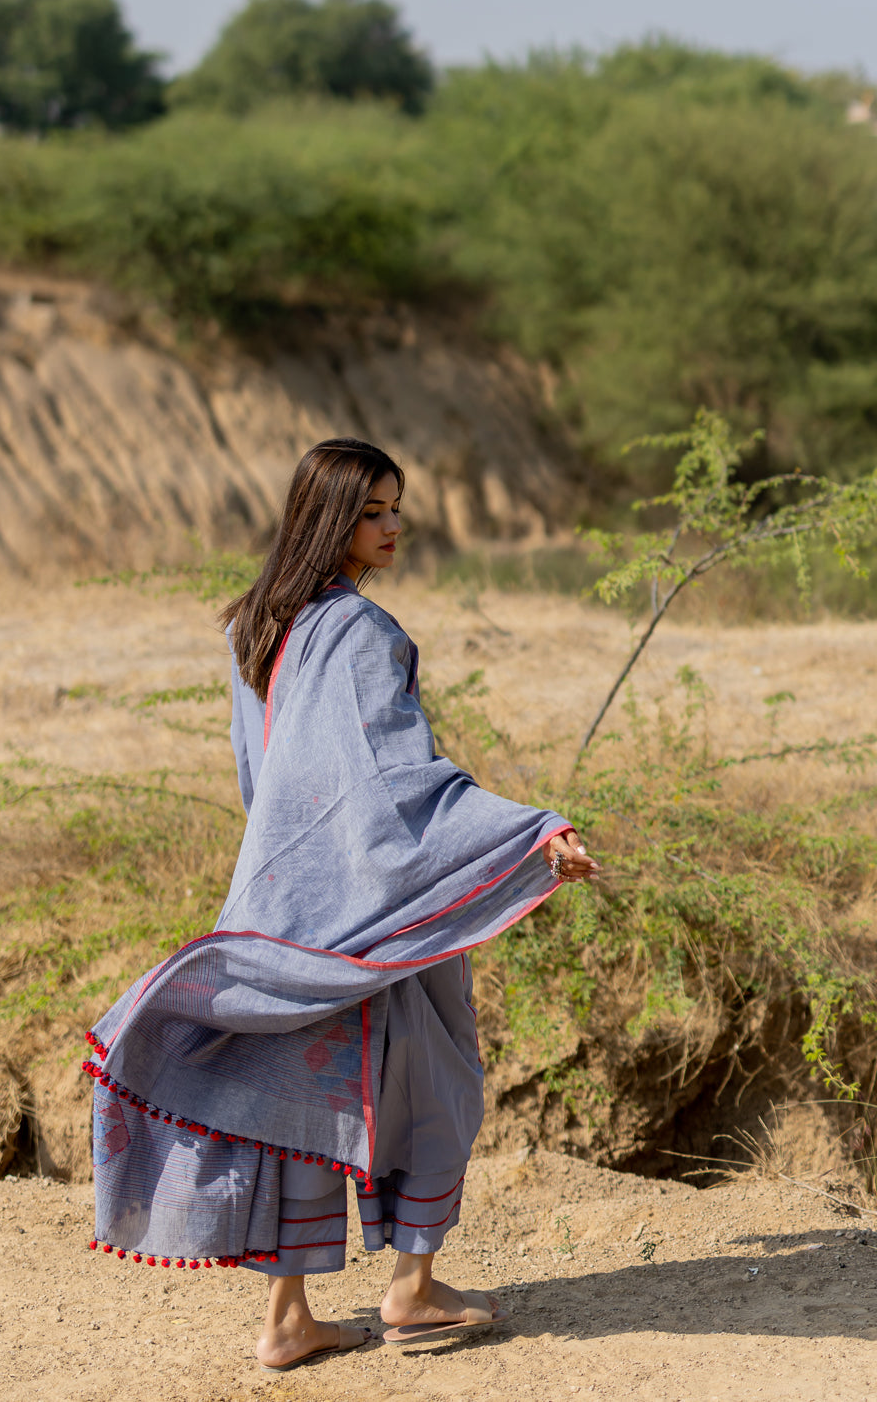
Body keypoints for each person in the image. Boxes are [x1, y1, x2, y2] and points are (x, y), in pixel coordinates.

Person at [83, 437, 599, 1372]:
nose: (394, 526)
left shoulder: (256, 625)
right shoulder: (361, 631)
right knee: (443, 1075)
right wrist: (532, 834)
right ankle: (412, 1289)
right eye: (372, 511)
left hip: (286, 900)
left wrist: (294, 875)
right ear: (328, 518)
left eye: (397, 507)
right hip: (374, 901)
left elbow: (261, 777)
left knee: (303, 1101)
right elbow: (399, 778)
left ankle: (289, 1320)